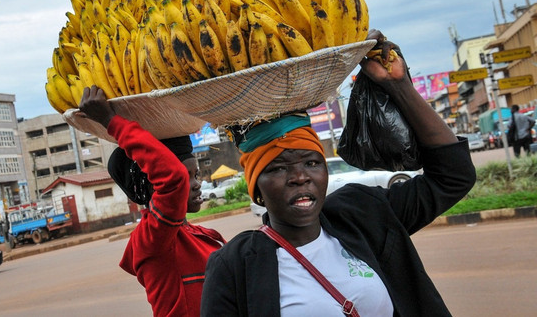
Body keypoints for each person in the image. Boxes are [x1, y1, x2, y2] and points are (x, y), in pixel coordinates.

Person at [200, 30, 477, 317]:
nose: (300, 177)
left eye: (311, 163)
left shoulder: (363, 214)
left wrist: (399, 86)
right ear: (256, 187)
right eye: (279, 168)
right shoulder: (235, 265)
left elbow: (453, 177)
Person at [77, 86, 226, 317]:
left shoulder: (205, 235)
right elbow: (173, 180)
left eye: (195, 175)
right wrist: (110, 121)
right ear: (155, 183)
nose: (197, 184)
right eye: (187, 176)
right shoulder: (153, 238)